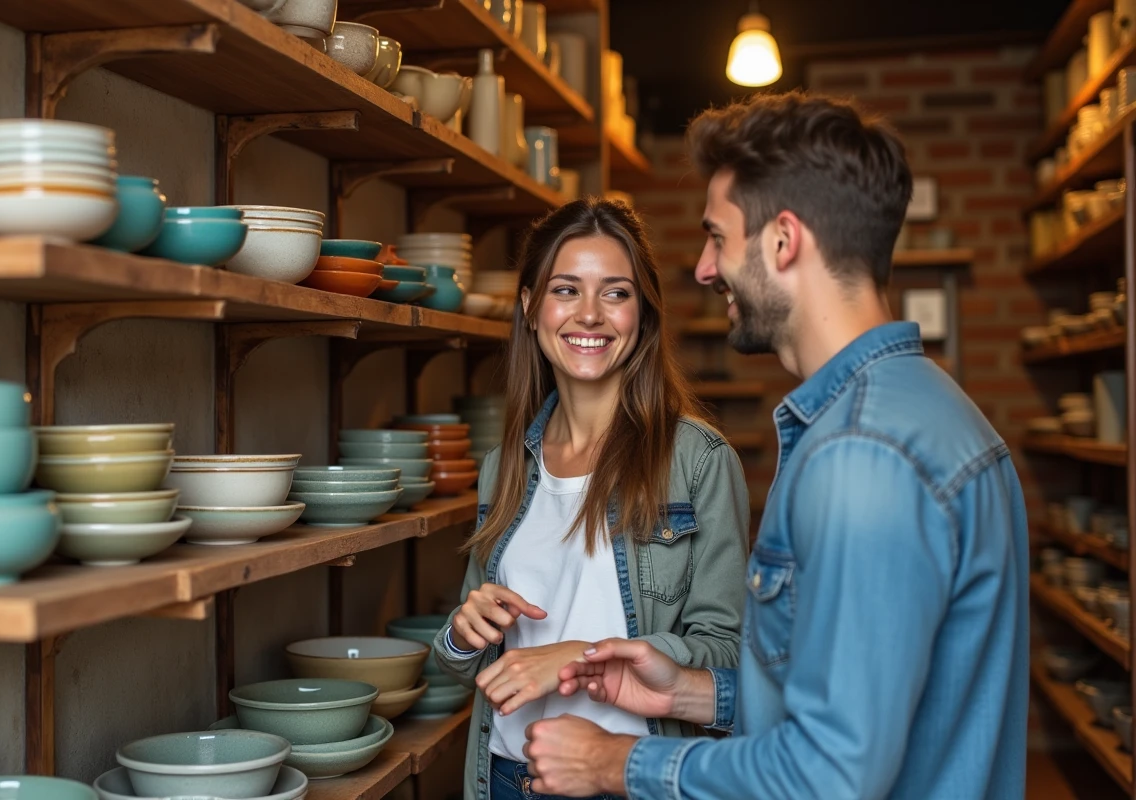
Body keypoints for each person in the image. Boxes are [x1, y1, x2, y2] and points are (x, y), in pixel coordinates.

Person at [521, 92, 1029, 800]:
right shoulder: (930, 411)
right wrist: (693, 695)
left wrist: (615, 763)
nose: (703, 268)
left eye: (718, 237)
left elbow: (831, 775)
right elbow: (860, 702)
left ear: (783, 241)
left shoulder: (864, 454)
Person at [432, 198, 751, 800]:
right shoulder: (504, 468)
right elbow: (473, 663)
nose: (589, 315)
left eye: (615, 293)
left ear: (643, 315)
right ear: (530, 307)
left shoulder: (700, 462)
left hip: (631, 778)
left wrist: (578, 656)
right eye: (566, 289)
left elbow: (728, 655)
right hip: (507, 776)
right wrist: (460, 633)